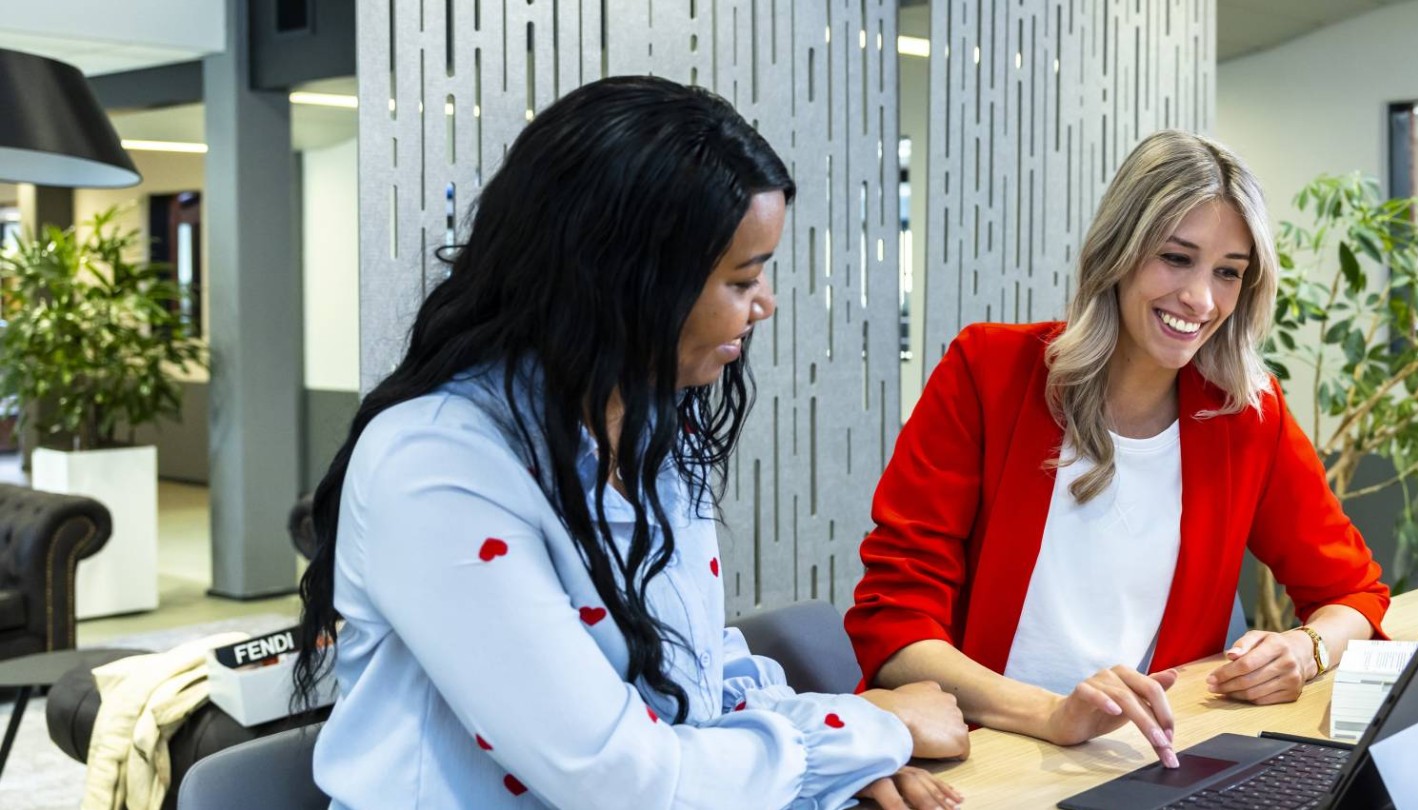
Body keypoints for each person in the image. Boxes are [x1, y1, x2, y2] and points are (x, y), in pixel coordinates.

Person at [292, 76, 966, 809]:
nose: (764, 305)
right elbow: (619, 777)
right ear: (625, 281)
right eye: (743, 280)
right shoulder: (433, 465)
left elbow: (692, 679)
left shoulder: (643, 426)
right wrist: (864, 728)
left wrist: (831, 752)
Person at [845, 130, 1390, 769]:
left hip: (1144, 762)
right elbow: (896, 627)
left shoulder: (1246, 415)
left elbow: (1355, 594)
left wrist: (1306, 649)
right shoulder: (988, 372)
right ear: (1119, 250)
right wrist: (1051, 715)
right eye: (1175, 257)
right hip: (979, 756)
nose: (1201, 299)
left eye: (1228, 273)